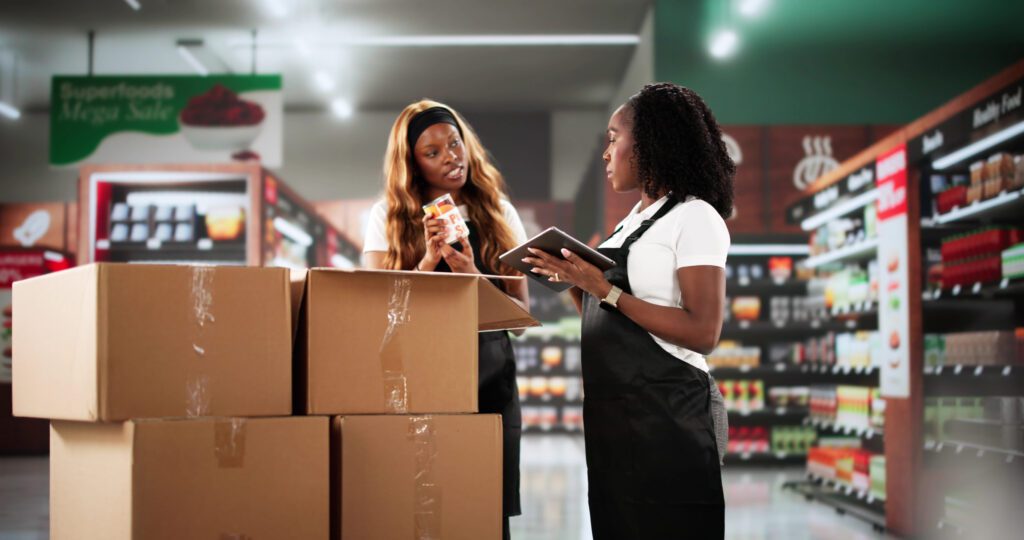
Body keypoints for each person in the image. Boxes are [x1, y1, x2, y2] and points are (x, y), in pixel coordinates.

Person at [523, 83, 734, 539]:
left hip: (670, 416)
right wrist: (572, 281)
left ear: (651, 142)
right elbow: (600, 308)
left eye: (614, 138)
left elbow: (703, 331)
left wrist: (606, 289)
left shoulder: (695, 217)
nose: (607, 152)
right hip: (614, 418)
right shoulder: (628, 223)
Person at [362, 99, 530, 540]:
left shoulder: (499, 213)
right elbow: (375, 317)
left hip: (490, 378)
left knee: (486, 509)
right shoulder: (388, 218)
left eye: (454, 143)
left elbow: (518, 319)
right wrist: (426, 263)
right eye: (432, 152)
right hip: (419, 377)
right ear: (413, 164)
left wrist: (470, 274)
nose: (450, 157)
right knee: (419, 506)